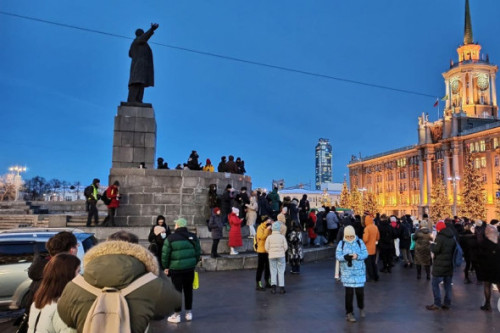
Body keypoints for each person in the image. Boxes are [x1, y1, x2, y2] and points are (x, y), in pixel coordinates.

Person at [58, 231, 181, 332]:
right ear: (137, 250)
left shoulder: (77, 284)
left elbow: (66, 317)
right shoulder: (150, 283)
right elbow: (170, 304)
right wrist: (155, 270)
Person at [17, 232, 79, 333]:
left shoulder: (42, 272)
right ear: (72, 250)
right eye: (78, 271)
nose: (79, 275)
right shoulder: (57, 282)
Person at [28, 254, 81, 333]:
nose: (80, 276)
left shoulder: (39, 301)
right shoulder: (63, 308)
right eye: (78, 272)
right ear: (67, 275)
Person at [162, 218, 201, 323]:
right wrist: (193, 262)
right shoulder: (193, 237)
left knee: (177, 291)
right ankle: (189, 313)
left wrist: (166, 267)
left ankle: (177, 315)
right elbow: (198, 252)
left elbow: (165, 255)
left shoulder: (170, 238)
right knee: (188, 290)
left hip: (176, 269)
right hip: (189, 269)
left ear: (178, 226)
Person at [336, 225, 368, 322]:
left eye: (351, 236)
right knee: (349, 294)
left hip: (359, 272)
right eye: (348, 236)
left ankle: (361, 306)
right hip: (347, 273)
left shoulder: (359, 242)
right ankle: (349, 313)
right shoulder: (341, 244)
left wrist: (357, 256)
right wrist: (345, 257)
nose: (350, 238)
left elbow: (365, 253)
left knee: (360, 292)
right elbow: (338, 255)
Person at [426, 220, 456, 311]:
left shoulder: (440, 237)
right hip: (449, 264)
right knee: (447, 285)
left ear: (439, 229)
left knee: (435, 284)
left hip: (440, 264)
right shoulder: (452, 237)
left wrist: (431, 245)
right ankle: (447, 303)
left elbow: (436, 250)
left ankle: (437, 303)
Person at [127, 23, 159, 103]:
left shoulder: (140, 43)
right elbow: (144, 38)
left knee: (141, 83)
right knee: (136, 82)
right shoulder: (138, 41)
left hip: (142, 66)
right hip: (138, 66)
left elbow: (130, 53)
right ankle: (132, 100)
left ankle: (138, 100)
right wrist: (151, 29)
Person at [476, 224, 500, 311]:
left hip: (487, 267)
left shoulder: (484, 243)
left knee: (487, 285)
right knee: (498, 284)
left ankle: (487, 304)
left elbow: (479, 256)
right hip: (498, 267)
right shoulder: (498, 242)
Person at [265, 222, 288, 294]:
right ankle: (282, 288)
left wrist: (270, 252)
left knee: (273, 271)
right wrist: (282, 251)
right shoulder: (282, 237)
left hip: (271, 256)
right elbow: (286, 247)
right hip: (281, 255)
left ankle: (273, 288)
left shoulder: (269, 237)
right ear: (279, 228)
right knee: (281, 271)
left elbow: (266, 248)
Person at [255, 218, 272, 290]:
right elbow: (261, 237)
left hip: (268, 250)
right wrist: (267, 229)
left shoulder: (270, 227)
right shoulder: (260, 227)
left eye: (270, 221)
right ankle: (258, 282)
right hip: (261, 250)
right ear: (264, 221)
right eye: (268, 221)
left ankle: (267, 280)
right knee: (260, 267)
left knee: (268, 267)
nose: (269, 222)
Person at [362, 214, 380, 282]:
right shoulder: (375, 227)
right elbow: (378, 237)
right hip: (374, 248)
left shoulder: (367, 228)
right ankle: (376, 276)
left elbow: (365, 239)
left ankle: (371, 277)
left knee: (368, 264)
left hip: (367, 249)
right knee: (373, 263)